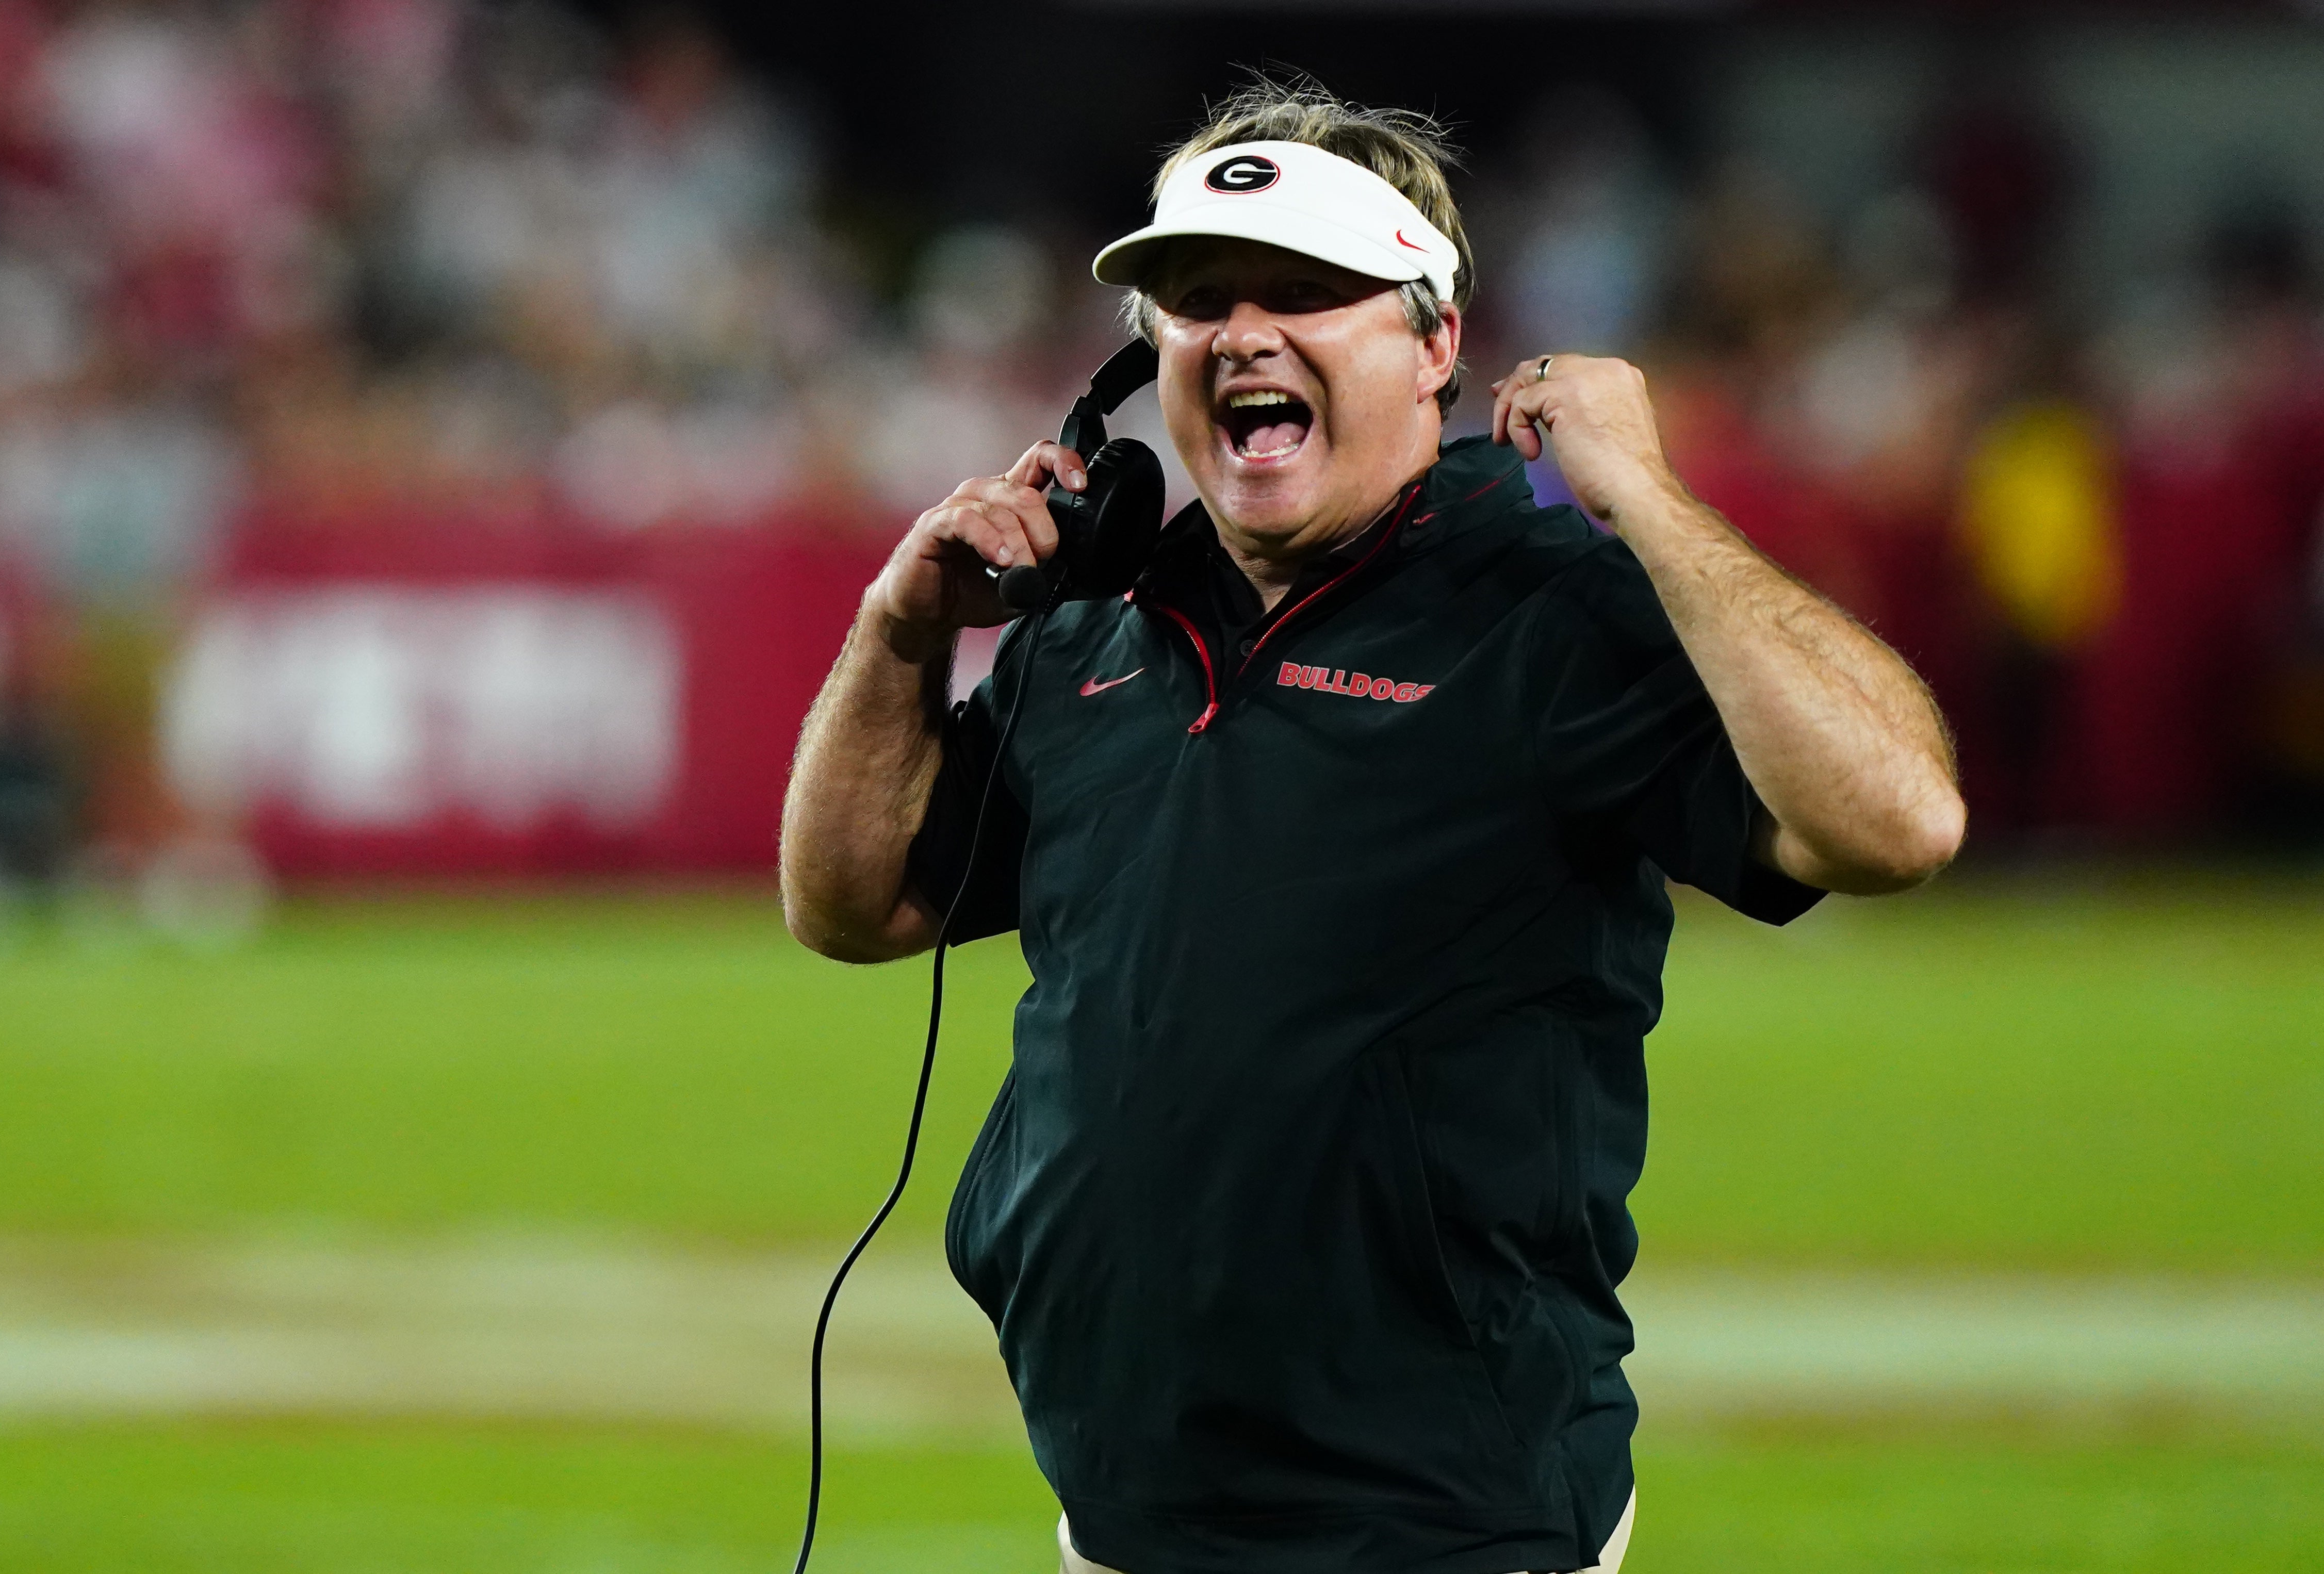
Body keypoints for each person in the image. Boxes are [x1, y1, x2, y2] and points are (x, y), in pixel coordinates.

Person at [779, 78, 1964, 1574]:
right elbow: (853, 906)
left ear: (1435, 343)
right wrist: (897, 627)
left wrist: (1648, 503)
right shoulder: (1090, 633)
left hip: (1445, 1521)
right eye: (1199, 300)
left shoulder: (1545, 613)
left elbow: (1899, 822)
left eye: (1304, 291)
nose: (1242, 334)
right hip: (1123, 1509)